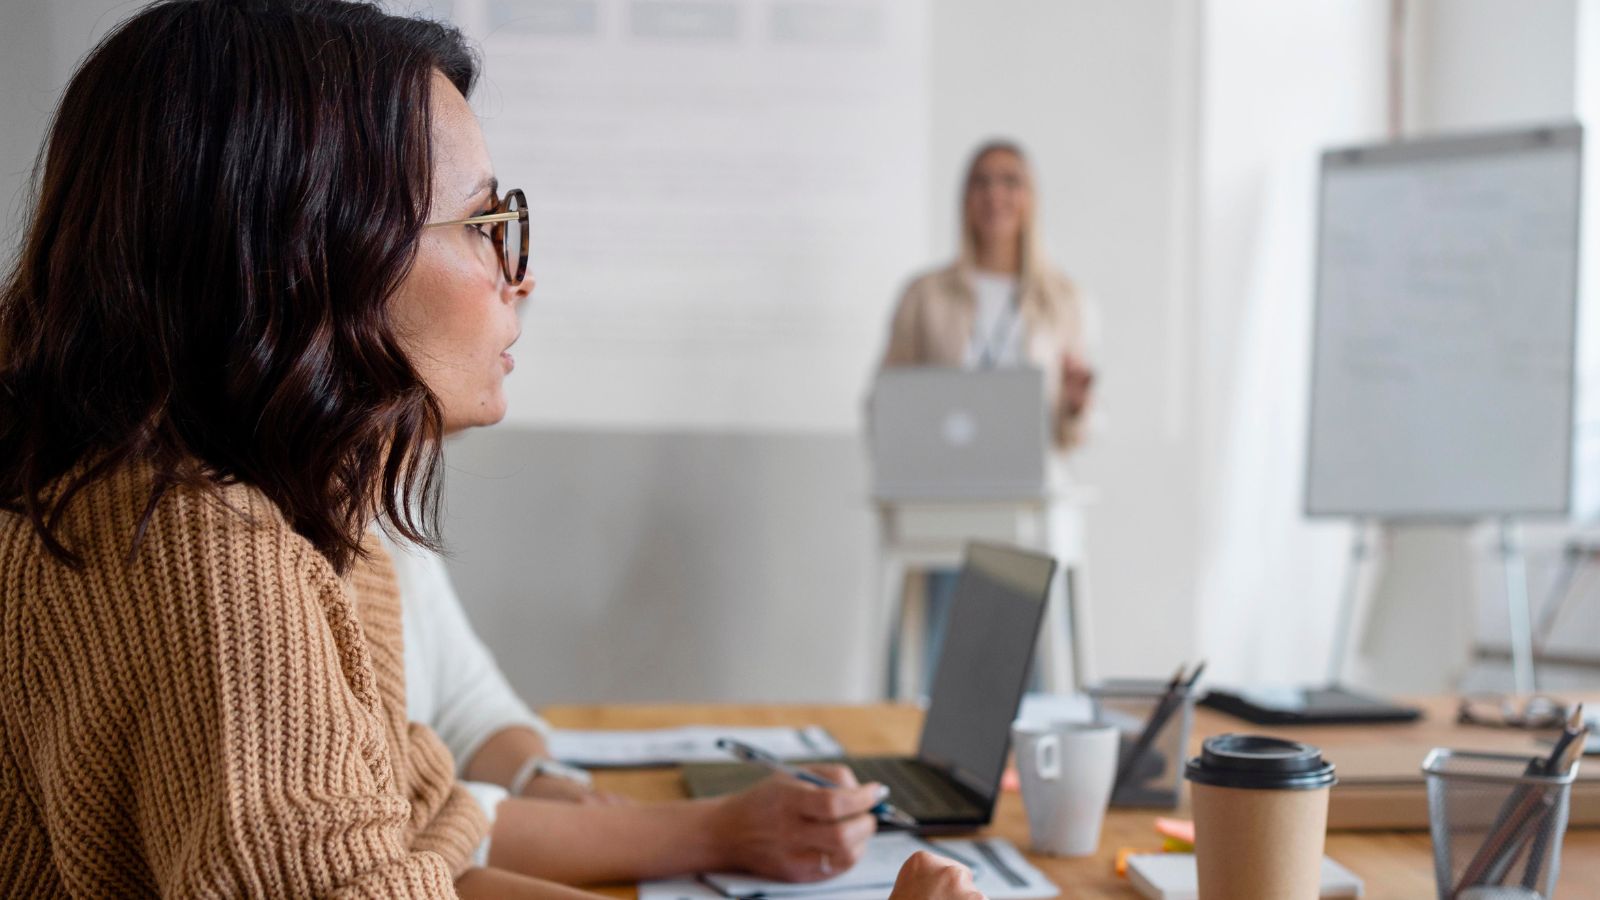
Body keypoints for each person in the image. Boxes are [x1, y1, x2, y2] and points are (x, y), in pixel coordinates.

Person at [0, 1, 981, 898]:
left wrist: (724, 831)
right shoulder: (208, 555)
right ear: (317, 259)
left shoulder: (296, 533)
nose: (522, 276)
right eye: (482, 224)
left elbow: (430, 847)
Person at [878, 140, 1096, 688]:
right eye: (981, 182)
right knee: (939, 656)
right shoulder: (925, 296)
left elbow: (1078, 430)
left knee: (1035, 656)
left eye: (1009, 181)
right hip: (946, 495)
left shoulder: (1062, 299)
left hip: (1026, 495)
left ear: (1030, 199)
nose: (994, 195)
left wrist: (1075, 404)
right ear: (964, 198)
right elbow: (888, 398)